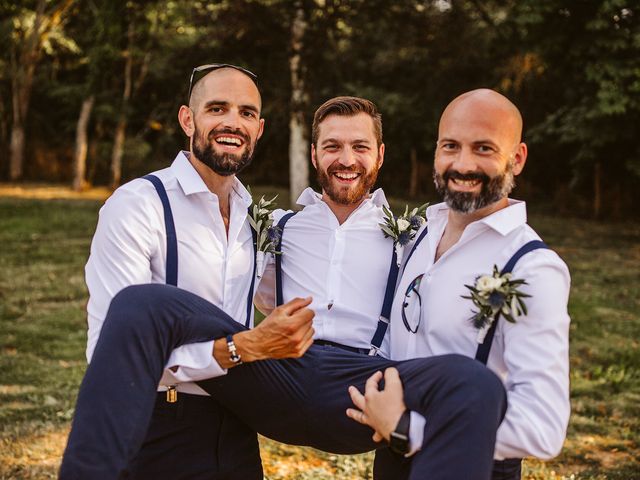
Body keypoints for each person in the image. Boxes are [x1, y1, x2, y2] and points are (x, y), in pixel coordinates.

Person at [60, 95, 507, 480]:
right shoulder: (271, 228)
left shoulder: (416, 236)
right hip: (279, 375)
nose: (346, 159)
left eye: (359, 147)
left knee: (472, 383)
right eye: (332, 146)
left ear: (381, 154)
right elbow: (222, 278)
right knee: (145, 304)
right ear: (314, 154)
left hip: (362, 384)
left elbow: (474, 216)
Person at [63, 63, 316, 479]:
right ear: (187, 119)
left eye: (247, 112)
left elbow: (300, 295)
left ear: (260, 128)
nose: (233, 122)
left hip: (237, 426)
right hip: (158, 424)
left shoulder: (252, 217)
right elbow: (114, 351)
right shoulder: (138, 205)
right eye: (217, 108)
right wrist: (243, 348)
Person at [346, 89, 571, 480]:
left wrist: (408, 430)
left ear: (516, 159)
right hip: (390, 460)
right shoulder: (417, 235)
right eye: (451, 146)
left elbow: (543, 426)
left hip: (471, 466)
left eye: (484, 148)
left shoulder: (532, 268)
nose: (463, 164)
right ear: (436, 151)